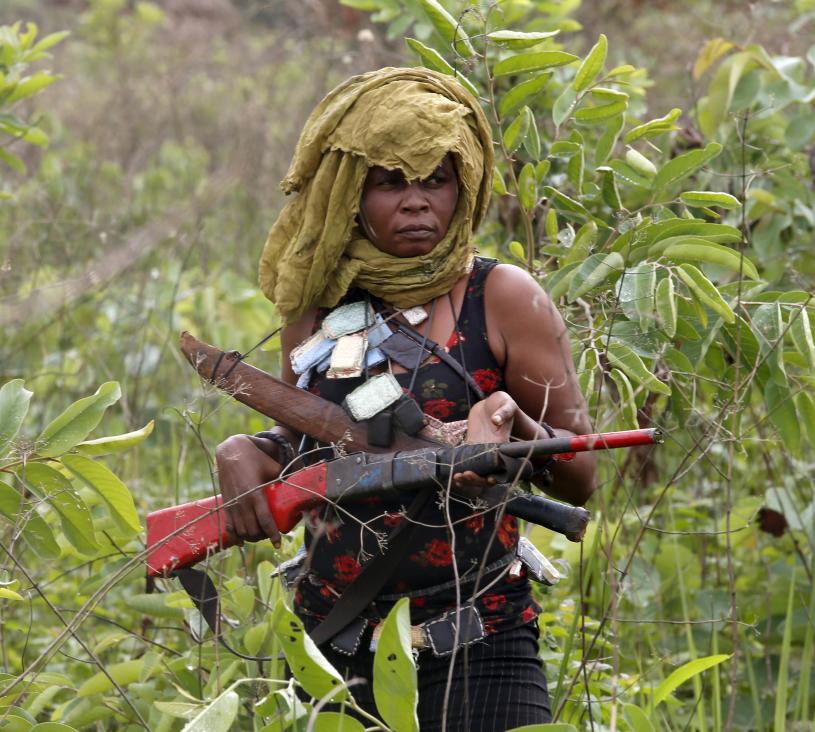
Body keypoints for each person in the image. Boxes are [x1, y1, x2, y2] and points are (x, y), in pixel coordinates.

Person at [215, 67, 596, 731]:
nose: (417, 202)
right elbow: (319, 445)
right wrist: (249, 452)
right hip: (335, 649)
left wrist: (507, 424)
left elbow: (581, 477)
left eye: (436, 180)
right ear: (351, 194)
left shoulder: (503, 298)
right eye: (391, 182)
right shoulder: (317, 309)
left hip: (484, 644)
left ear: (465, 184)